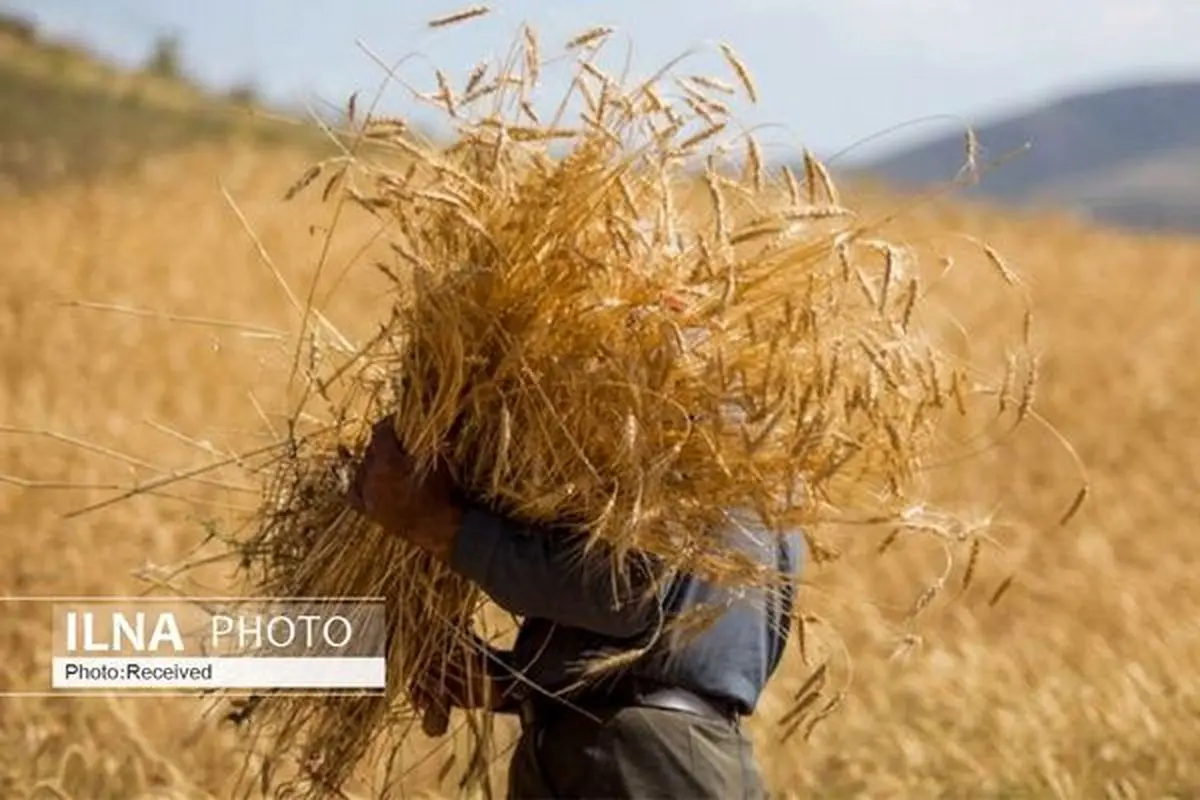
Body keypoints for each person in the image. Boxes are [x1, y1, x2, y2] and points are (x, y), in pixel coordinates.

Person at [350, 415, 803, 799]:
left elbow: (625, 592)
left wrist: (440, 526)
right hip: (657, 757)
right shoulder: (759, 449)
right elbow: (701, 648)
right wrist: (517, 683)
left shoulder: (658, 416)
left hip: (634, 763)